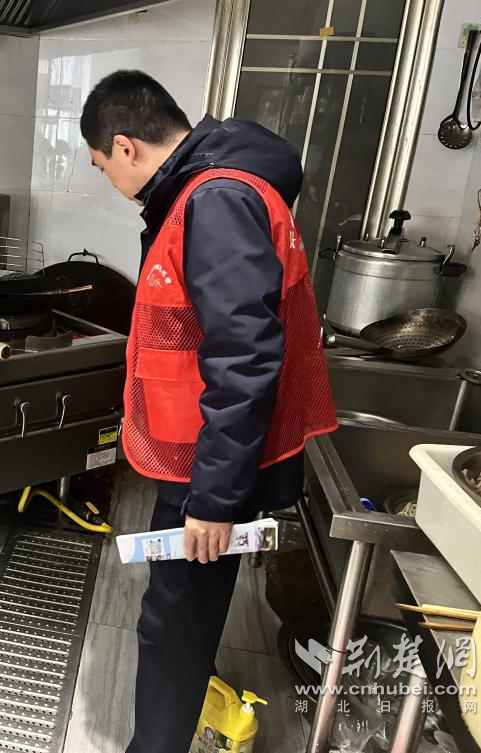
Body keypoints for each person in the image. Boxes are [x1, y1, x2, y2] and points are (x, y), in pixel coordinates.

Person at [80, 70, 337, 752]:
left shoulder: (216, 199)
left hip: (209, 467)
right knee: (183, 613)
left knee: (174, 622)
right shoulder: (209, 189)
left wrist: (214, 501)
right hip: (203, 455)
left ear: (126, 145)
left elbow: (245, 358)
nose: (112, 181)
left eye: (104, 166)